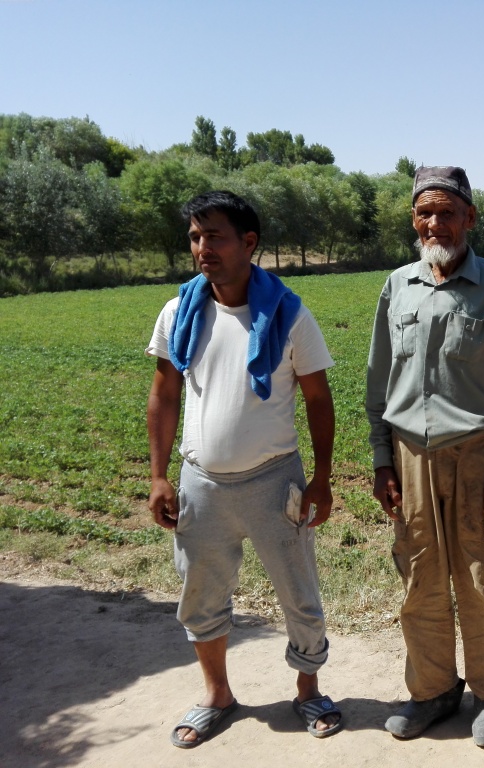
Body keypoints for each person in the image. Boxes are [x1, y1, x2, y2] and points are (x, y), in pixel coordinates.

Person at [146, 191, 342, 748]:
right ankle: (217, 694)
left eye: (215, 236)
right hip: (199, 481)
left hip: (273, 478)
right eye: (194, 236)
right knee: (200, 591)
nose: (202, 248)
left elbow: (318, 399)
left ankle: (308, 690)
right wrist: (160, 476)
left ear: (249, 243)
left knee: (298, 589)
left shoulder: (288, 312)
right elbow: (163, 394)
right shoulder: (179, 311)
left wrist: (321, 478)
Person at [365, 166, 484, 748]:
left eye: (447, 211)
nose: (435, 223)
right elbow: (378, 382)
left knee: (481, 574)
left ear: (469, 218)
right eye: (425, 212)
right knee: (418, 576)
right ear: (414, 220)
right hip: (410, 456)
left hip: (477, 457)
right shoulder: (397, 287)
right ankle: (433, 691)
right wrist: (382, 460)